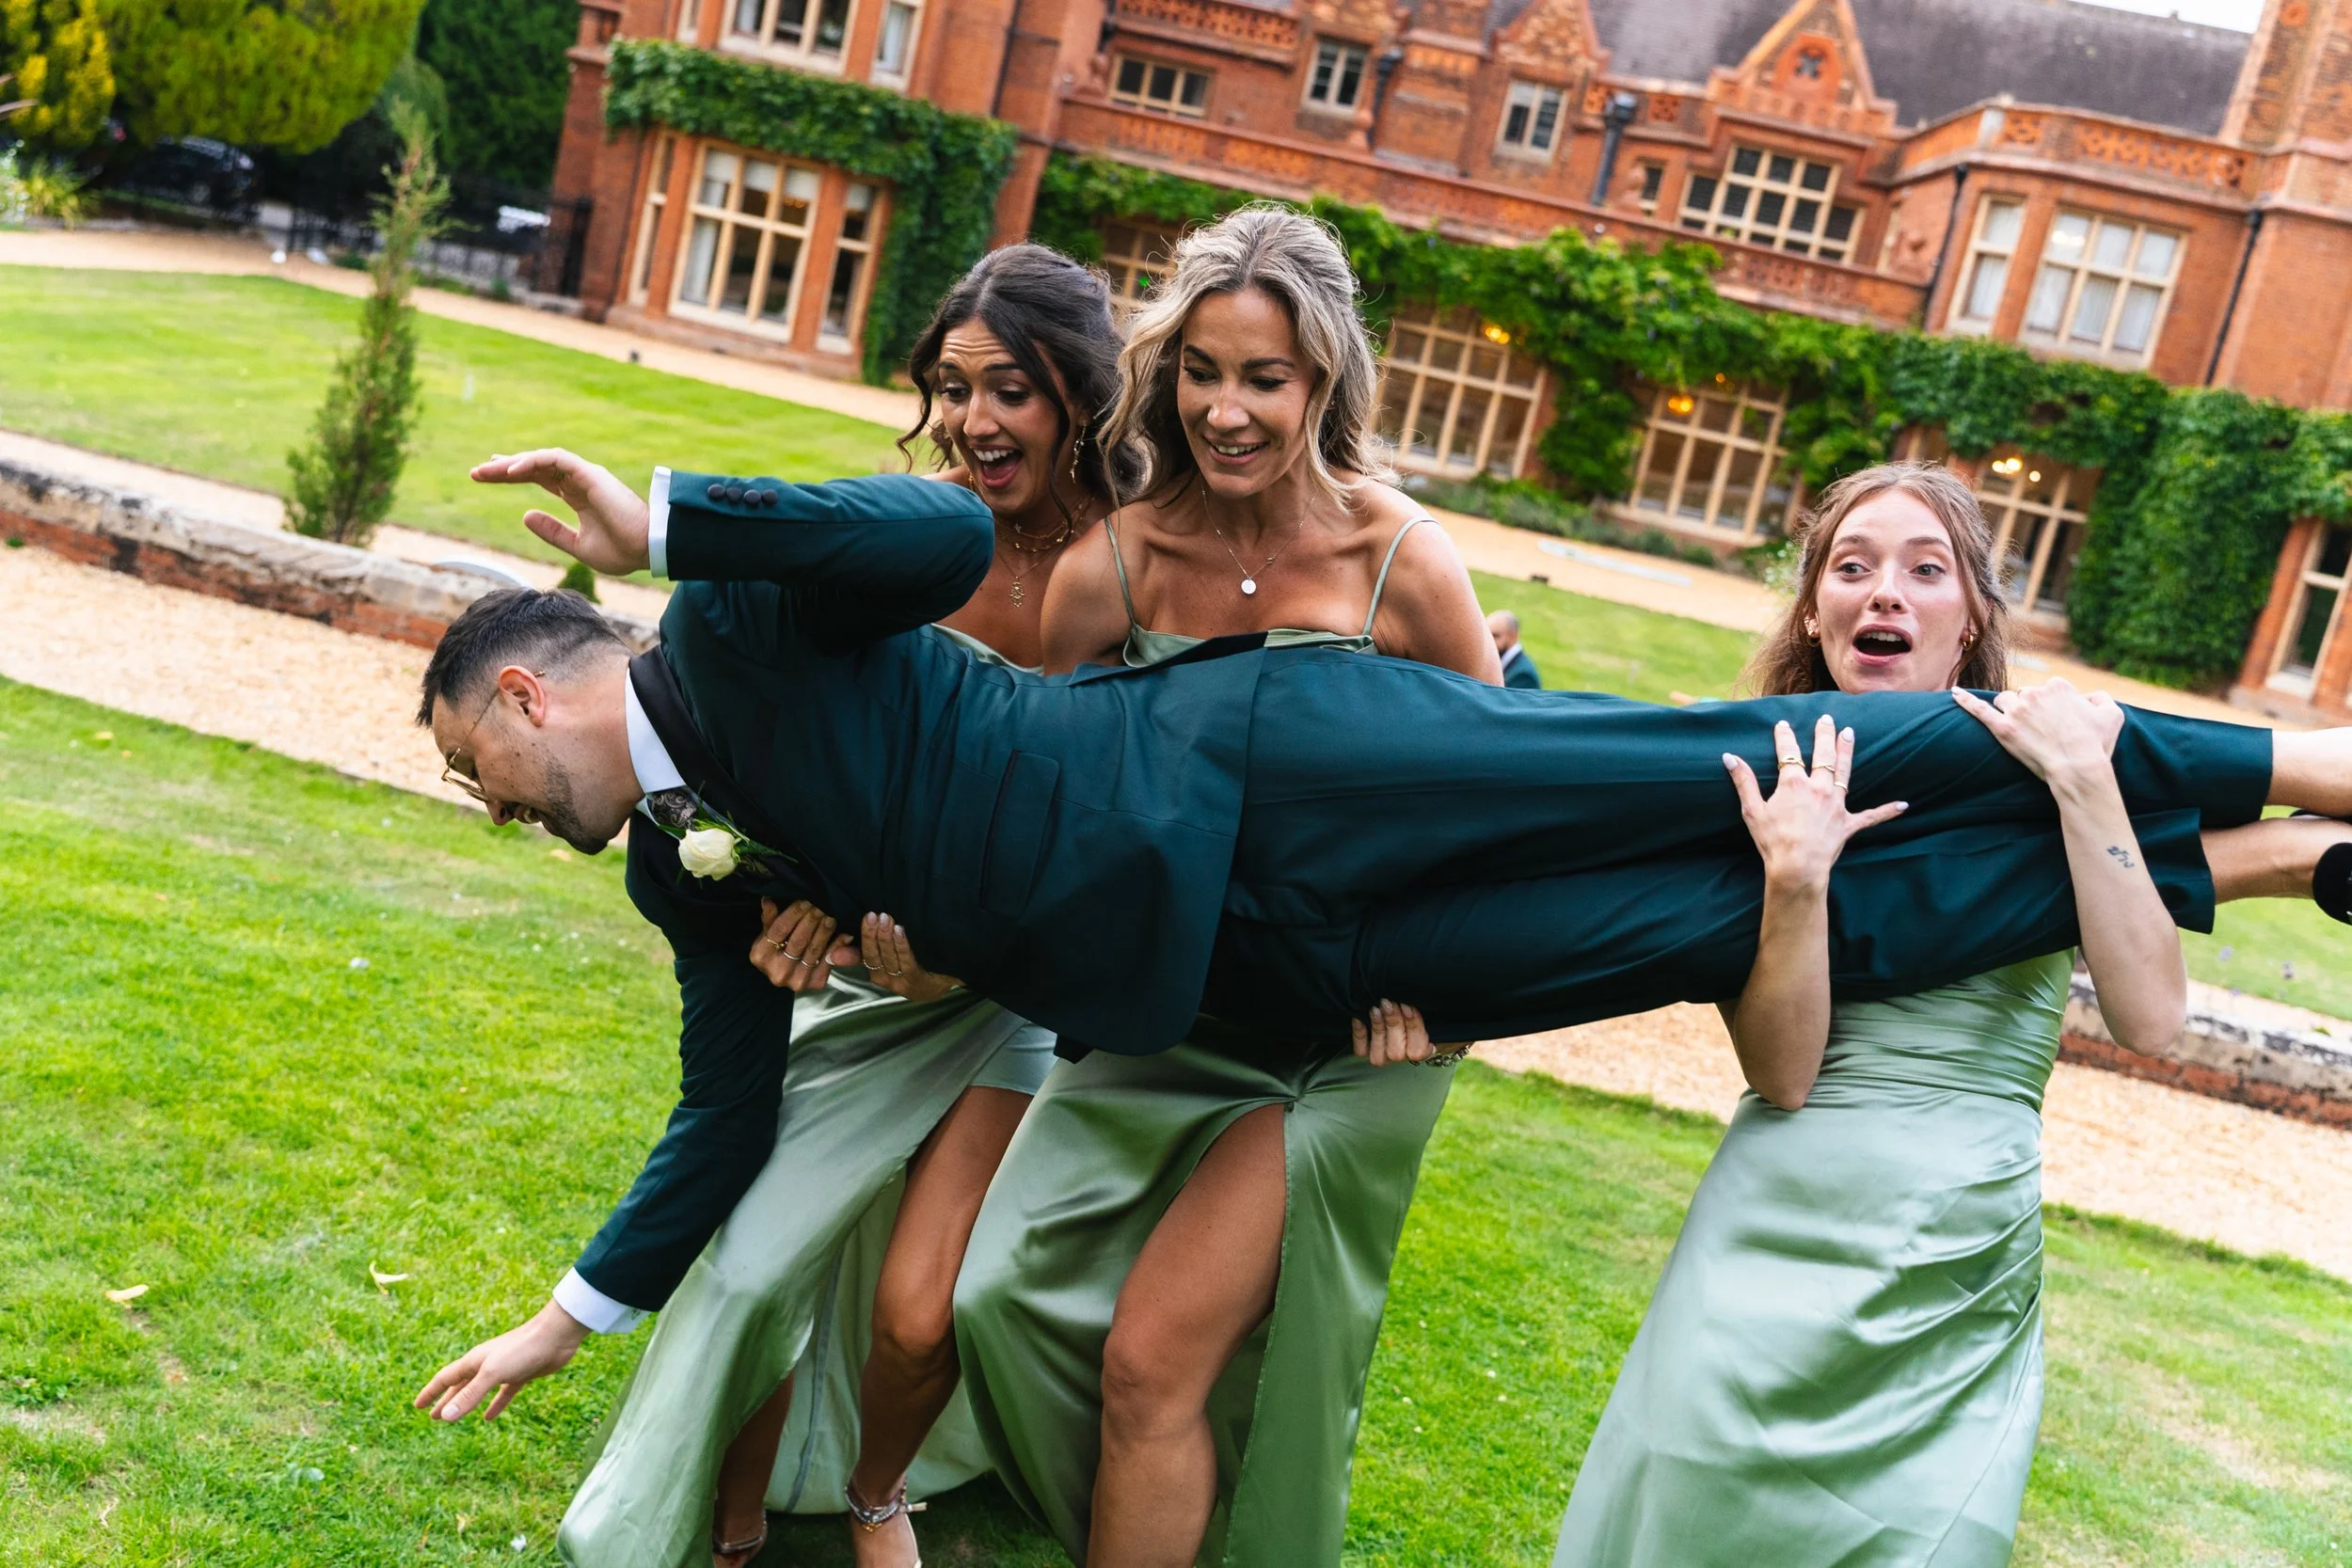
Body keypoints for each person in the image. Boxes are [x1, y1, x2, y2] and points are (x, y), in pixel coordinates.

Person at [403, 444, 2351, 1472]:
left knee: (1712, 758)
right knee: (1710, 899)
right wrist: (563, 1316)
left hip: (1265, 767)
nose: (482, 801)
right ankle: (2283, 846)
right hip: (1237, 969)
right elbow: (725, 1100)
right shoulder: (685, 866)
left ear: (514, 682)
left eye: (465, 760)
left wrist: (664, 510)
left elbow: (930, 528)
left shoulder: (726, 616)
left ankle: (2311, 765)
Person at [1551, 462, 2352, 1566]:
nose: (1885, 592)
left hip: (1957, 1257)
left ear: (1972, 614)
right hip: (1765, 1245)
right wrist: (1793, 877)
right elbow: (1783, 1073)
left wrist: (2083, 783)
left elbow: (2152, 1016)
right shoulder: (1763, 777)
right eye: (1852, 567)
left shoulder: (2044, 773)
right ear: (1814, 610)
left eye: (1925, 569)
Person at [469, 246, 1132, 1568]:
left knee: (918, 1303)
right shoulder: (898, 533)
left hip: (994, 976)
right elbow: (815, 749)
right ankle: (739, 1479)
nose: (975, 418)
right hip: (852, 973)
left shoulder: (1138, 563)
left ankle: (879, 1485)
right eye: (953, 385)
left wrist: (663, 525)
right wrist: (807, 912)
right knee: (766, 1242)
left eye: (1011, 387)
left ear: (1080, 395)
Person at [955, 205, 1494, 1568]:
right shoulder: (1117, 566)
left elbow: (1501, 812)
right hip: (1160, 1016)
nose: (1228, 409)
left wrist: (1450, 1002)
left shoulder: (1404, 565)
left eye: (1265, 376)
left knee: (1151, 1361)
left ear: (1325, 381)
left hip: (1343, 1043)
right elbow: (1026, 801)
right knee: (1000, 1295)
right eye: (1203, 369)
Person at [1489, 608, 1542, 689]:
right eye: (1488, 635)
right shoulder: (1503, 662)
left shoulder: (1523, 677)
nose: (1490, 642)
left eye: (1496, 636)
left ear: (1513, 636)